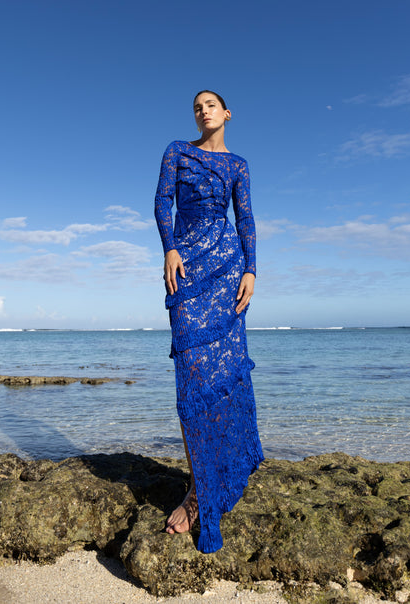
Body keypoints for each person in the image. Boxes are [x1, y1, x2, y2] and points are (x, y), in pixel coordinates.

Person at [154, 89, 264, 553]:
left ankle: (200, 493)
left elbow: (246, 219)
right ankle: (200, 486)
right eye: (196, 106)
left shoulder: (238, 164)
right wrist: (170, 248)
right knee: (192, 382)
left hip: (227, 272)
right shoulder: (177, 151)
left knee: (224, 378)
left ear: (226, 114)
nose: (202, 111)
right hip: (188, 271)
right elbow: (162, 203)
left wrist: (252, 269)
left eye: (210, 105)